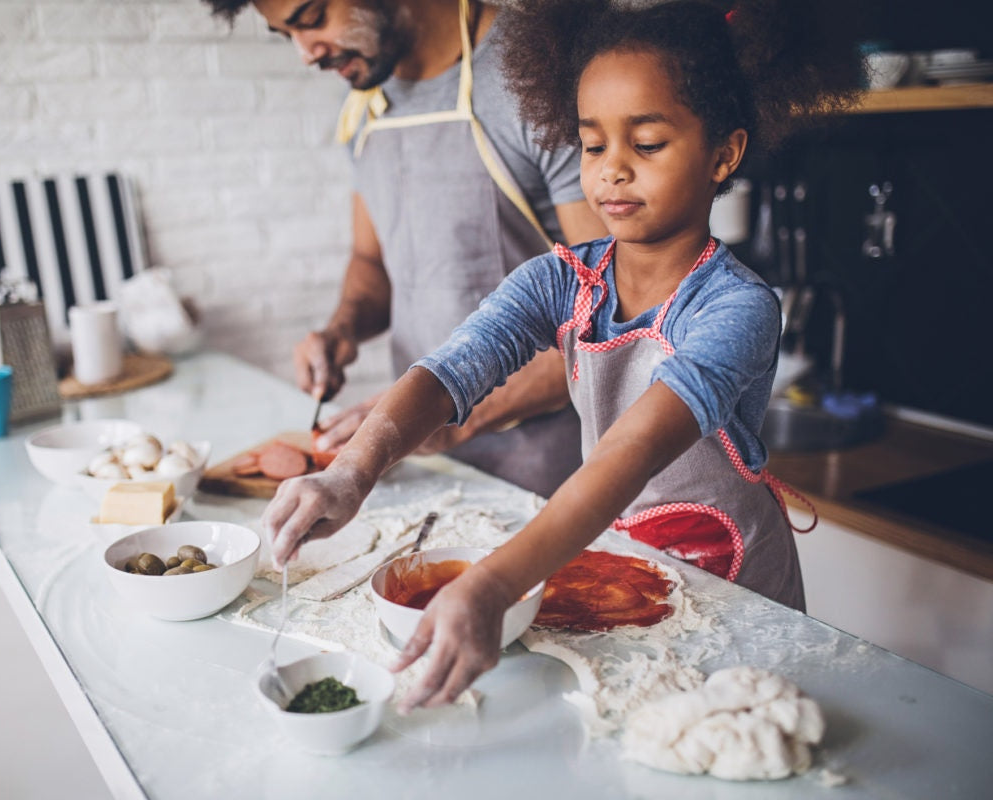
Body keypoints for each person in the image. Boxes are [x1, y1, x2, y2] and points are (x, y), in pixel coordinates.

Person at [262, 0, 861, 712]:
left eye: (647, 143)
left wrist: (492, 582)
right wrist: (352, 471)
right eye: (593, 144)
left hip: (737, 583)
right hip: (632, 563)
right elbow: (451, 368)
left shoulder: (737, 309)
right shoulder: (561, 278)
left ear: (723, 154)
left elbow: (626, 456)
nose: (610, 173)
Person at [200, 0, 607, 497]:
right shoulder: (367, 102)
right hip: (422, 456)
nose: (306, 54)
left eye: (311, 19)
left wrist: (442, 416)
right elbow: (374, 262)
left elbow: (608, 312)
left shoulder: (537, 74)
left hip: (548, 464)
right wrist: (342, 327)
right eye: (286, 35)